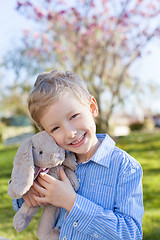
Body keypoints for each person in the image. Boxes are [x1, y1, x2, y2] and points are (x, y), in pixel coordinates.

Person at [13, 70, 144, 239]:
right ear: (46, 135)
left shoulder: (126, 167)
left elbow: (130, 234)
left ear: (92, 107)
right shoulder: (54, 162)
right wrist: (27, 192)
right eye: (55, 128)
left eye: (74, 116)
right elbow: (20, 200)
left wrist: (71, 202)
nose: (70, 133)